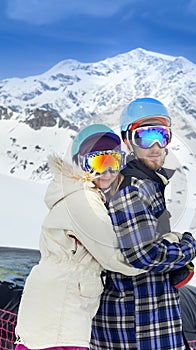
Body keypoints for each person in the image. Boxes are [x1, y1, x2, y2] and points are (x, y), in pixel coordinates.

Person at [14, 124, 145, 350]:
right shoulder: (83, 200)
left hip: (50, 312)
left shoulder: (76, 193)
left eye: (113, 162)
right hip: (61, 315)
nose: (107, 172)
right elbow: (115, 255)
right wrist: (159, 259)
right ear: (80, 163)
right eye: (98, 162)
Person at [91, 98, 196, 350]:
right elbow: (142, 254)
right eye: (144, 136)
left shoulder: (146, 183)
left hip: (148, 317)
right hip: (138, 326)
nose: (155, 146)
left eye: (161, 135)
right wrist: (188, 248)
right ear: (127, 140)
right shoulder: (131, 188)